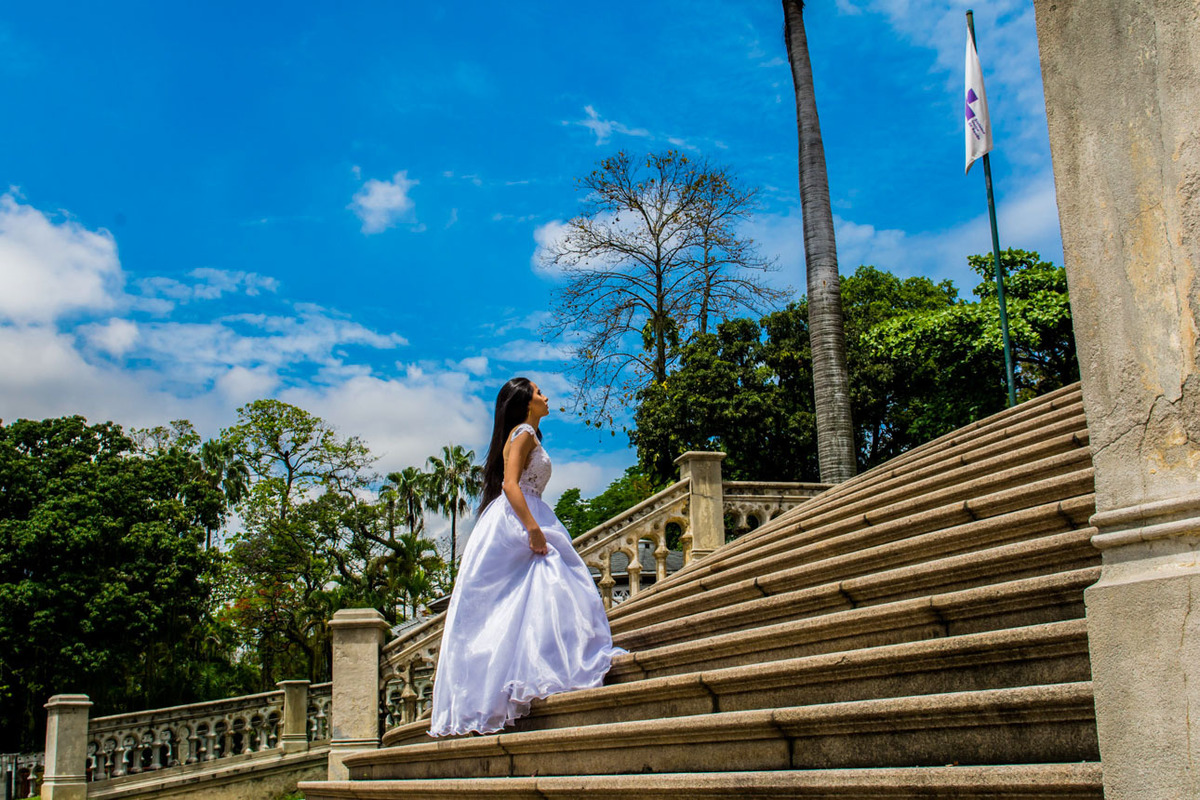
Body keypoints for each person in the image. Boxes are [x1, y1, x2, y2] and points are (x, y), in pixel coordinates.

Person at [428, 377, 624, 737]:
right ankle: (546, 670)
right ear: (525, 402)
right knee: (553, 585)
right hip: (521, 516)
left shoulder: (526, 434)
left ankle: (538, 670)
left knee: (531, 598)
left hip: (523, 513)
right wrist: (532, 527)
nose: (545, 396)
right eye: (538, 392)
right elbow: (509, 484)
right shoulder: (523, 434)